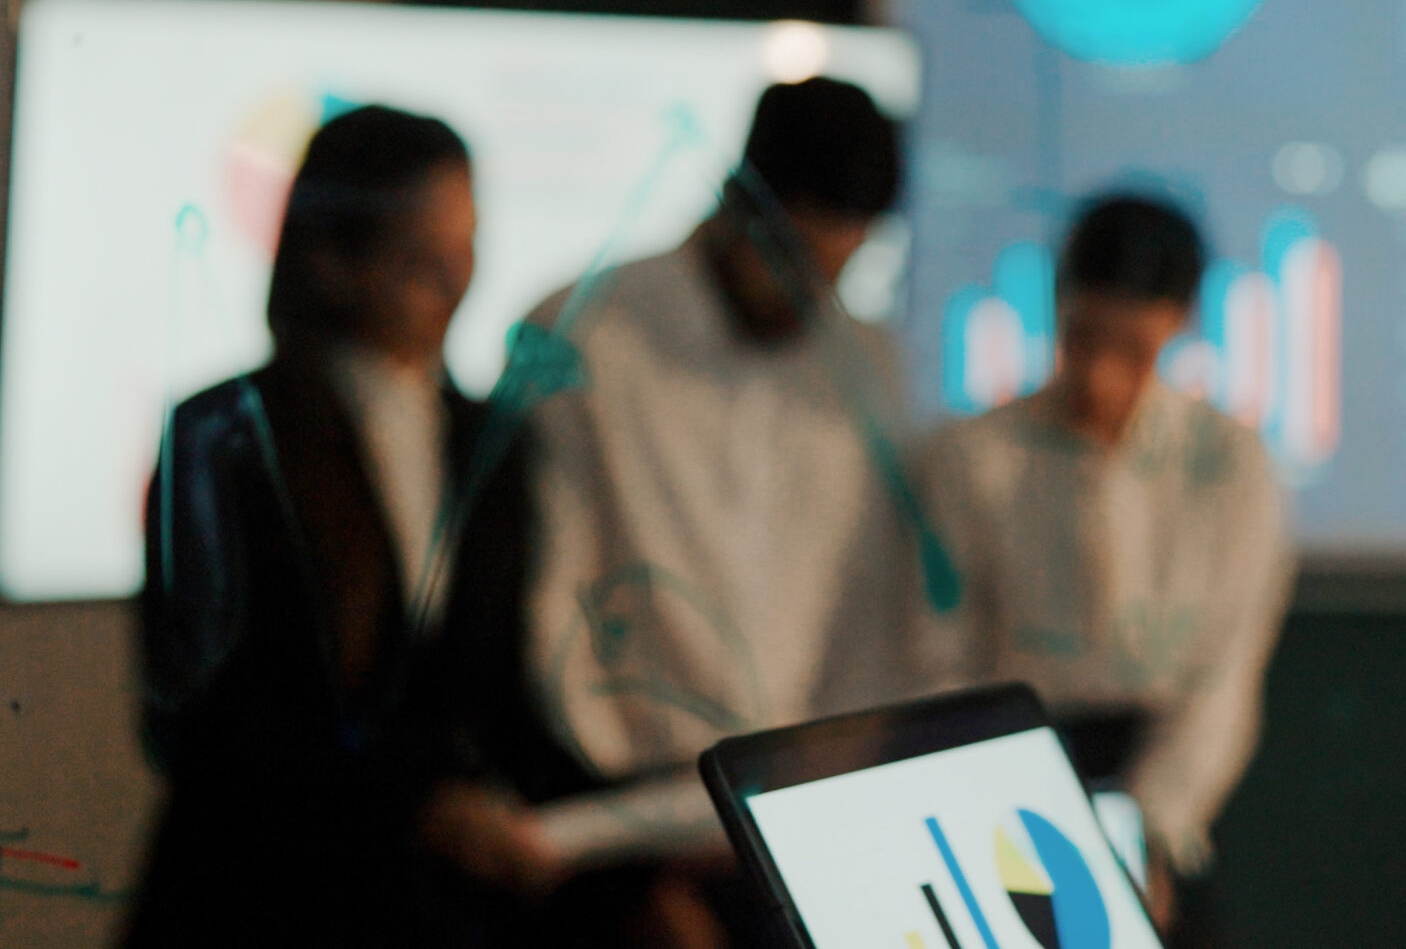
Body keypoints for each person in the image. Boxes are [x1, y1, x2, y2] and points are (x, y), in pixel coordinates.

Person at [129, 105, 562, 948]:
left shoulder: (491, 438)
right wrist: (423, 809)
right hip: (260, 902)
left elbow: (500, 680)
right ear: (328, 260)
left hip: (445, 912)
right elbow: (202, 719)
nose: (455, 285)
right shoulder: (222, 437)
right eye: (420, 261)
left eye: (466, 252)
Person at [520, 76, 923, 948]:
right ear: (740, 205)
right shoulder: (584, 333)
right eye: (791, 257)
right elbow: (541, 611)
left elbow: (866, 617)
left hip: (798, 821)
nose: (808, 293)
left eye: (837, 268)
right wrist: (633, 867)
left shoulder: (868, 368)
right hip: (614, 838)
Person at [913, 193, 1295, 948]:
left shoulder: (1230, 464)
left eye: (1132, 349)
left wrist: (1150, 830)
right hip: (1010, 775)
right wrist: (1002, 810)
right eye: (1083, 339)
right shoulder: (975, 457)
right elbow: (941, 660)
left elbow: (1222, 677)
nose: (1100, 377)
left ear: (1178, 325)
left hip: (1157, 785)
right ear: (1058, 306)